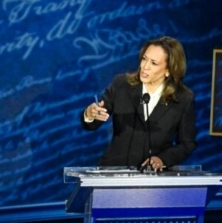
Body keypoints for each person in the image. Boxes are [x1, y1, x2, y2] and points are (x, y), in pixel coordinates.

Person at [81, 36, 196, 171]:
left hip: (153, 179)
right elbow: (94, 122)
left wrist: (162, 159)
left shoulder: (183, 98)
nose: (144, 66)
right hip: (114, 172)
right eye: (144, 59)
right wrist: (89, 114)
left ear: (168, 70)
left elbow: (186, 144)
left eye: (153, 63)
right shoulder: (121, 85)